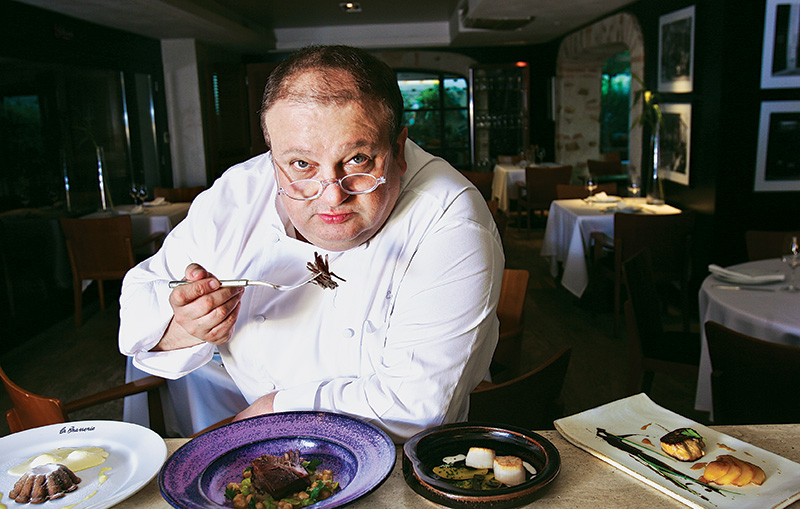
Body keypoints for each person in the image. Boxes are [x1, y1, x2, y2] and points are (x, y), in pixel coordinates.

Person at [119, 45, 504, 442]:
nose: (332, 196)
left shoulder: (450, 218)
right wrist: (186, 326)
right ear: (273, 159)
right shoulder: (237, 193)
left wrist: (268, 413)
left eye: (358, 160)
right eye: (302, 165)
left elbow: (413, 407)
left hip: (400, 458)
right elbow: (137, 310)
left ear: (399, 150)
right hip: (259, 436)